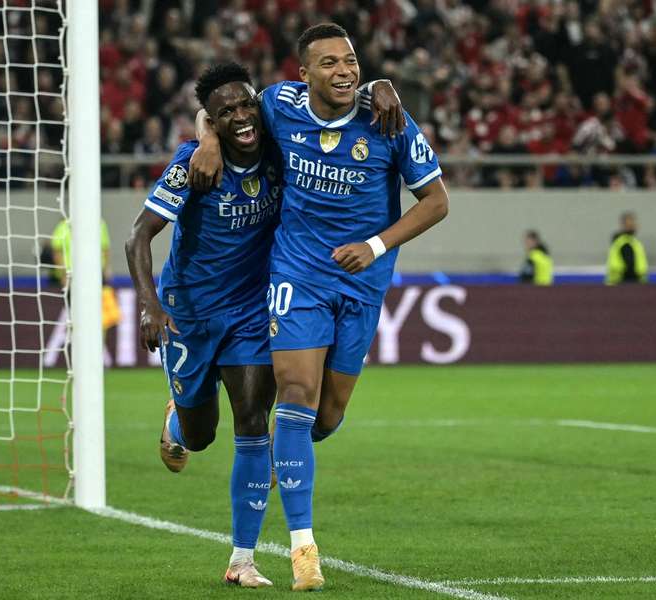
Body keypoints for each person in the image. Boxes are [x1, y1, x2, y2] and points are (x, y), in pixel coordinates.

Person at [191, 23, 449, 591]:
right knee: (295, 397)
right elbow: (224, 110)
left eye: (352, 61)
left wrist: (377, 245)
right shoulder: (279, 103)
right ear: (302, 74)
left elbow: (437, 201)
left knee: (324, 419)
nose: (344, 71)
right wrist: (207, 139)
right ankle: (303, 548)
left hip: (361, 284)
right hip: (298, 274)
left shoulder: (388, 121)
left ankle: (275, 458)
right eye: (329, 62)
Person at [124, 63, 282, 588]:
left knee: (254, 423)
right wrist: (149, 306)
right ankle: (176, 419)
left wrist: (376, 86)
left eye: (246, 106)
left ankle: (242, 560)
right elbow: (137, 238)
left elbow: (330, 106)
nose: (241, 117)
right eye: (225, 113)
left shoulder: (280, 149)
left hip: (251, 311)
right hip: (188, 314)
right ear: (212, 122)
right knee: (201, 435)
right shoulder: (193, 164)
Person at [50, 218, 112, 288]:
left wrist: (106, 268)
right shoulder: (63, 226)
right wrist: (64, 274)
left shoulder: (100, 225)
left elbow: (105, 248)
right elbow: (57, 252)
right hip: (70, 274)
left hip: (95, 273)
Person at [606, 211, 648, 285]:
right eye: (630, 223)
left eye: (633, 223)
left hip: (631, 281)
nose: (633, 225)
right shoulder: (623, 242)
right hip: (623, 282)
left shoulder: (633, 242)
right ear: (623, 225)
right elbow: (629, 265)